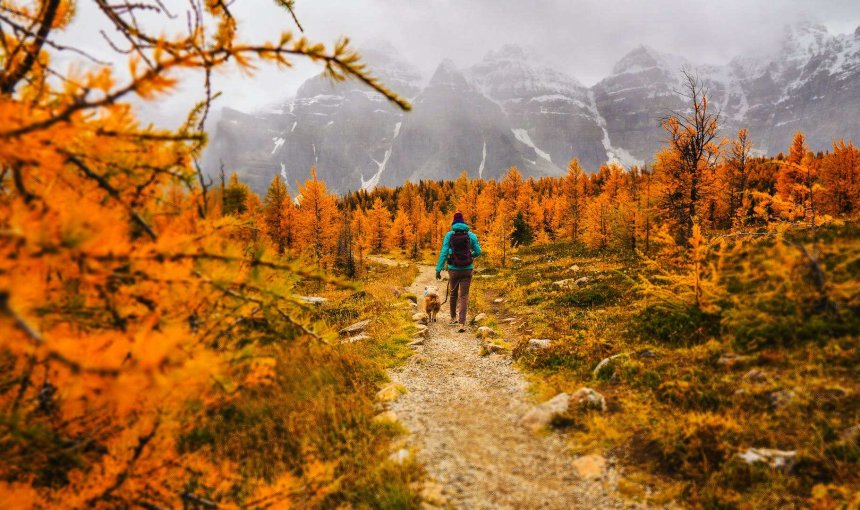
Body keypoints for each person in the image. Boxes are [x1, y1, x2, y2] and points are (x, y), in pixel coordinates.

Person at [435, 211, 482, 332]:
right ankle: (462, 323)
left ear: (454, 223)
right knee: (464, 296)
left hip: (453, 269)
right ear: (463, 222)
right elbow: (478, 251)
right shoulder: (471, 236)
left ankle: (452, 318)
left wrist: (438, 269)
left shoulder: (449, 235)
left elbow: (444, 252)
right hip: (467, 269)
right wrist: (470, 255)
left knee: (453, 293)